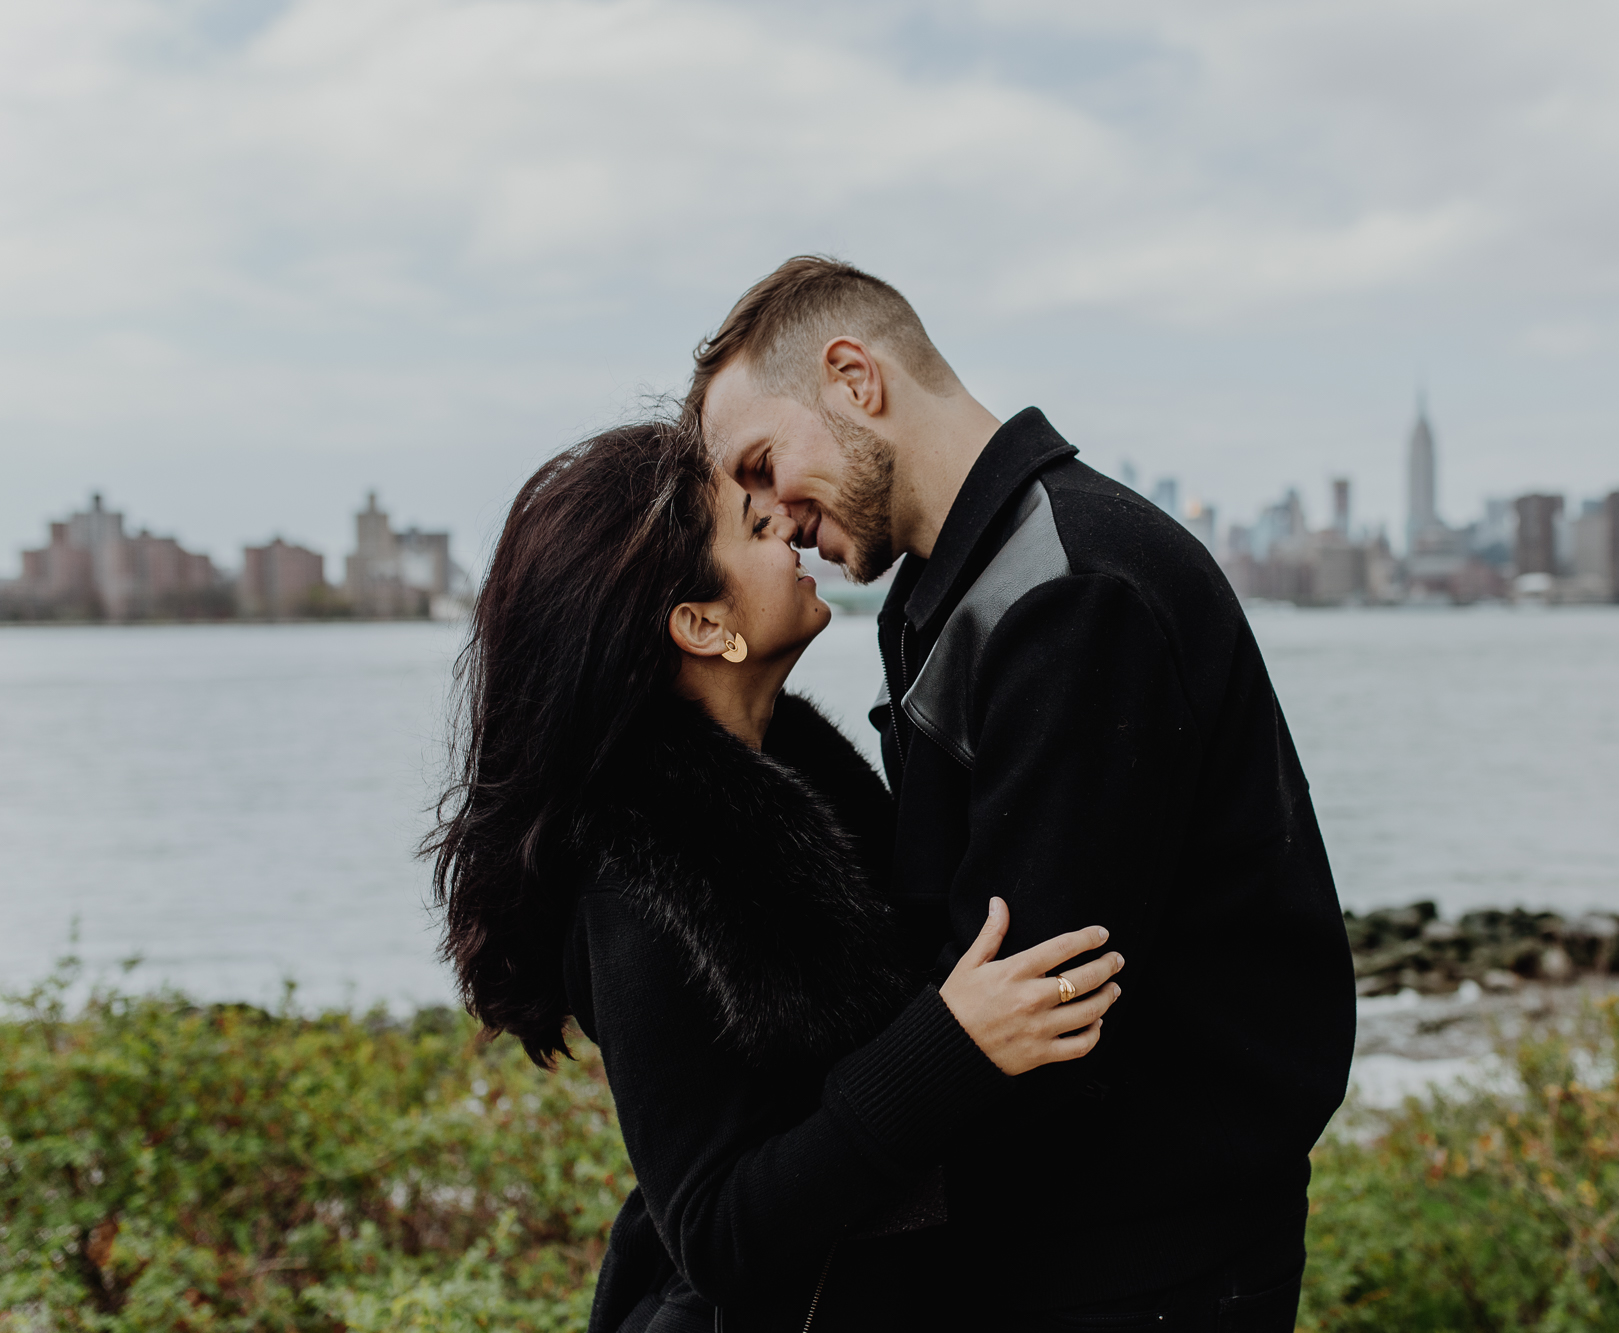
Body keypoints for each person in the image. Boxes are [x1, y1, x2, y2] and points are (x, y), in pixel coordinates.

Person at [694, 257, 1358, 1330]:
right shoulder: (951, 587)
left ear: (855, 378)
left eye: (764, 464)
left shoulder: (1070, 586)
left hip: (1147, 1257)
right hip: (1075, 1239)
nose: (774, 516)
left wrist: (811, 1180)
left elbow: (1038, 988)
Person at [426, 419, 1128, 1332]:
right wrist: (954, 1047)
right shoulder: (641, 881)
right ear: (702, 624)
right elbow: (717, 1235)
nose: (791, 533)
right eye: (756, 530)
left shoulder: (803, 787)